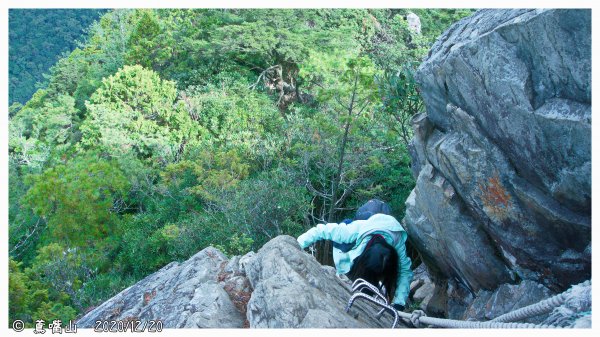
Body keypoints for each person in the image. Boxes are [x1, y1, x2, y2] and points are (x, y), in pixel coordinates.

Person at [297, 199, 413, 311]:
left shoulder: (397, 240)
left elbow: (405, 271)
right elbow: (320, 230)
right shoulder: (352, 230)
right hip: (360, 230)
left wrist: (399, 303)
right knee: (350, 263)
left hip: (380, 226)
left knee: (367, 285)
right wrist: (296, 245)